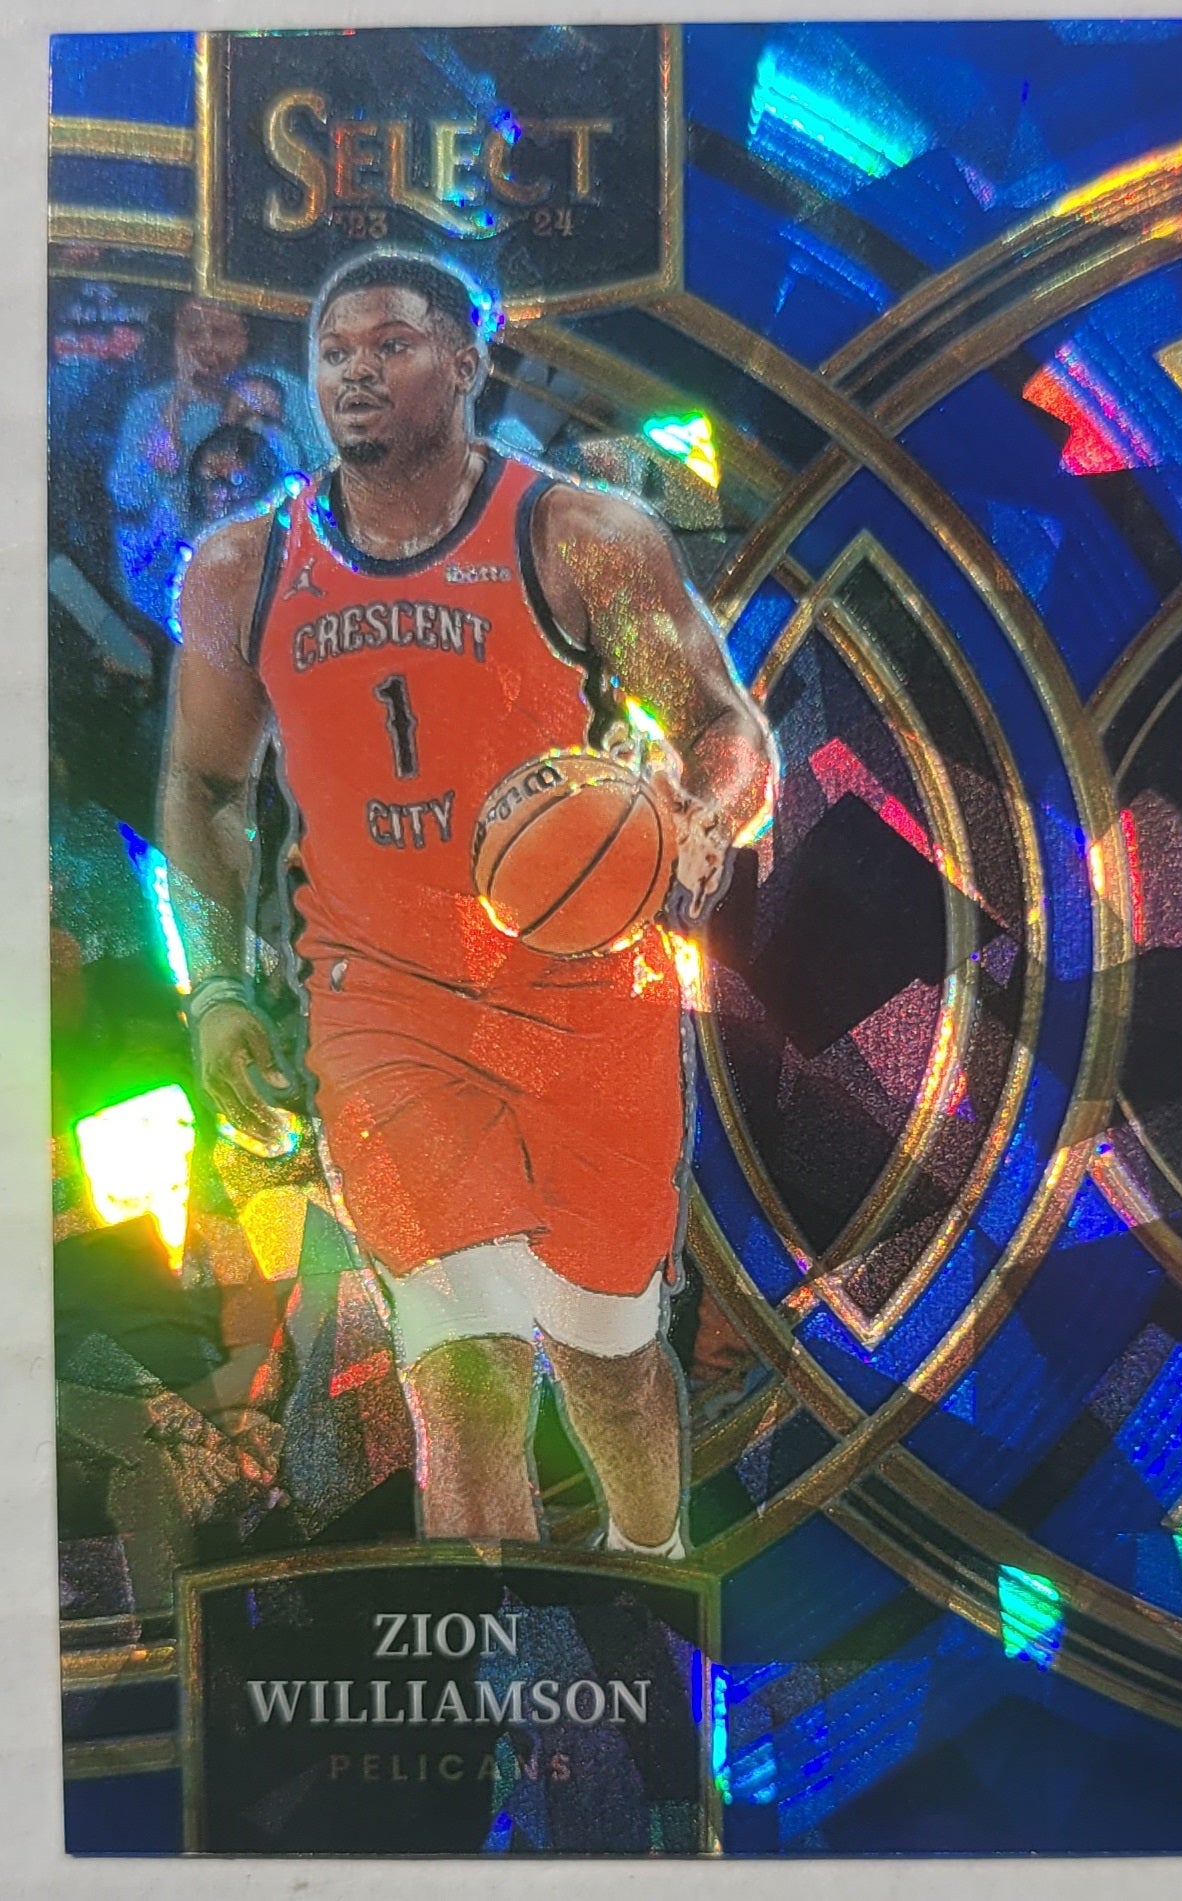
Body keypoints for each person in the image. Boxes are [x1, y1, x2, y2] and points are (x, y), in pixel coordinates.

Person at [160, 252, 773, 1557]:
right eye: (334, 353)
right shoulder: (243, 566)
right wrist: (210, 982)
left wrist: (701, 824)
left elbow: (722, 729)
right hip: (383, 1006)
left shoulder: (583, 540)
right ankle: (494, 1655)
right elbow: (203, 788)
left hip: (587, 998)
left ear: (465, 361)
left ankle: (645, 1571)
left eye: (389, 345)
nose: (355, 373)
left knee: (608, 1362)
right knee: (464, 1374)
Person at [108, 299, 318, 626]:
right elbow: (127, 499)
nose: (206, 345)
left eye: (220, 333)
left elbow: (324, 476)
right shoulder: (149, 407)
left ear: (244, 336)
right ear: (176, 341)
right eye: (192, 334)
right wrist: (176, 405)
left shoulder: (282, 390)